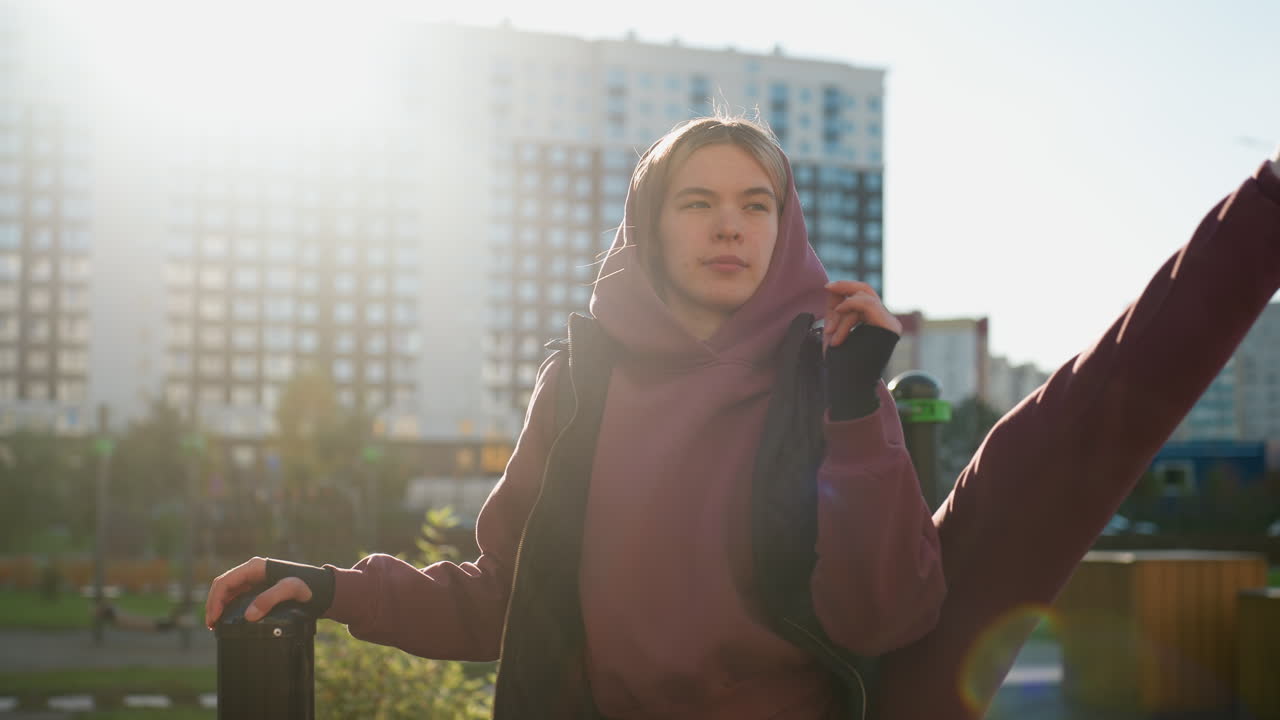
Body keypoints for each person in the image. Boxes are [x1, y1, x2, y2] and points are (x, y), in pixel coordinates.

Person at [205, 112, 1280, 719]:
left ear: (785, 225)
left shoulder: (828, 379)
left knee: (1044, 448)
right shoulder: (580, 386)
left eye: (756, 204)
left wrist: (855, 412)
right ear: (649, 224)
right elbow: (498, 599)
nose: (731, 227)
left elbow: (886, 615)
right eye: (698, 201)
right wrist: (340, 586)